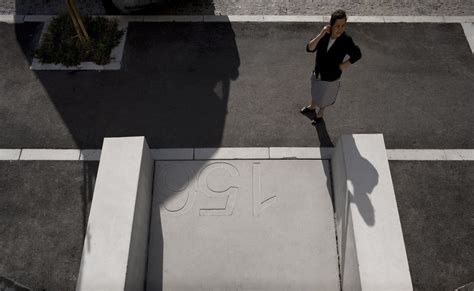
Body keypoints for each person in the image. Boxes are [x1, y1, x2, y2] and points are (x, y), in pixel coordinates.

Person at [301, 9, 361, 125]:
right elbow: (310, 48)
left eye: (343, 25)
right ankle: (312, 107)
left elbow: (357, 54)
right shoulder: (325, 35)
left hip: (331, 77)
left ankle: (320, 113)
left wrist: (344, 65)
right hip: (318, 72)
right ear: (331, 25)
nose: (340, 29)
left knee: (325, 98)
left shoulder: (346, 40)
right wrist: (321, 33)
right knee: (315, 90)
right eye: (337, 25)